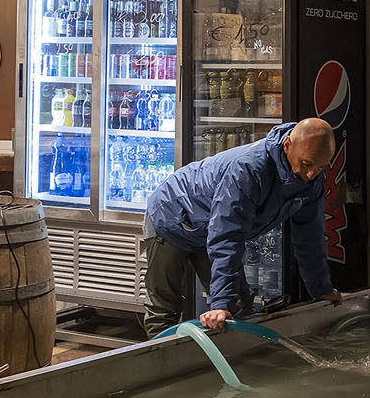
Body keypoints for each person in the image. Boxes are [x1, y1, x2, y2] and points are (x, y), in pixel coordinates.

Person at [142, 118, 342, 337]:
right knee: (164, 311)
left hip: (208, 227)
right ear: (287, 145)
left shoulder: (311, 181)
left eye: (320, 167)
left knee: (238, 306)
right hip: (171, 216)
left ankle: (229, 366)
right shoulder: (248, 169)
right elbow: (228, 235)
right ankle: (163, 367)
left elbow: (310, 236)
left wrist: (321, 290)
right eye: (306, 164)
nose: (312, 174)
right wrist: (219, 303)